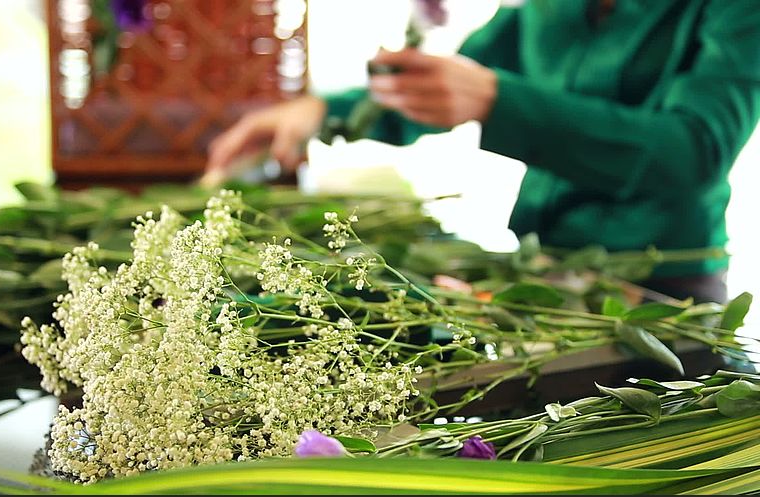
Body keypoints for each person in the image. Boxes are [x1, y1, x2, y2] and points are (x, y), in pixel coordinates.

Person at [206, 0, 760, 304]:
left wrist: (499, 99)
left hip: (666, 288)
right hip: (540, 267)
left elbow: (694, 149)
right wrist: (323, 113)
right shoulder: (541, 12)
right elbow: (443, 84)